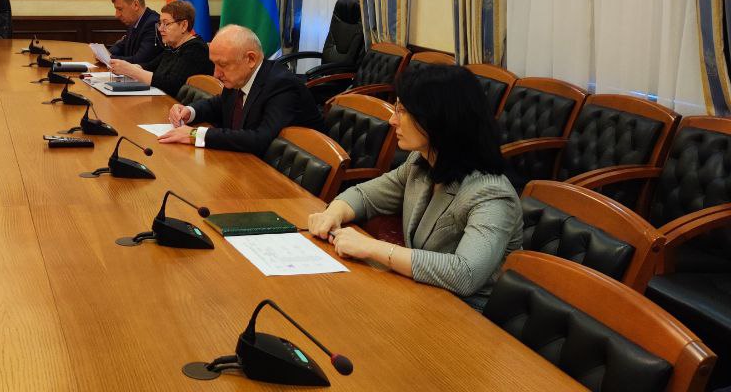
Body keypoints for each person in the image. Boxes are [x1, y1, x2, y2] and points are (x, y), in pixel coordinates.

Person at [305, 64, 522, 311]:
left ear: (438, 119)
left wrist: (371, 247)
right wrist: (333, 214)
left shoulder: (491, 193)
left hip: (464, 316)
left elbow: (465, 273)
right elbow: (364, 195)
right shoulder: (421, 163)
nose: (392, 120)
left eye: (403, 111)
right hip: (419, 296)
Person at [159, 25, 322, 153]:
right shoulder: (240, 77)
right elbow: (219, 104)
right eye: (214, 64)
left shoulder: (282, 85)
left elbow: (261, 138)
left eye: (222, 64)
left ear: (251, 59)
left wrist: (195, 134)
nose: (216, 74)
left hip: (287, 177)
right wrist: (189, 111)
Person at [107, 0, 213, 99]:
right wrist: (125, 68)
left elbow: (172, 85)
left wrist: (132, 71)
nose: (160, 28)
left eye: (166, 24)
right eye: (160, 23)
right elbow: (151, 66)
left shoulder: (196, 49)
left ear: (184, 25)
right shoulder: (172, 47)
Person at [107, 0, 162, 66]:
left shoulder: (153, 24)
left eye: (120, 9)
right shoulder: (134, 21)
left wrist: (108, 58)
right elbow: (121, 46)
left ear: (136, 5)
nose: (117, 15)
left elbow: (139, 60)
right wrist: (106, 54)